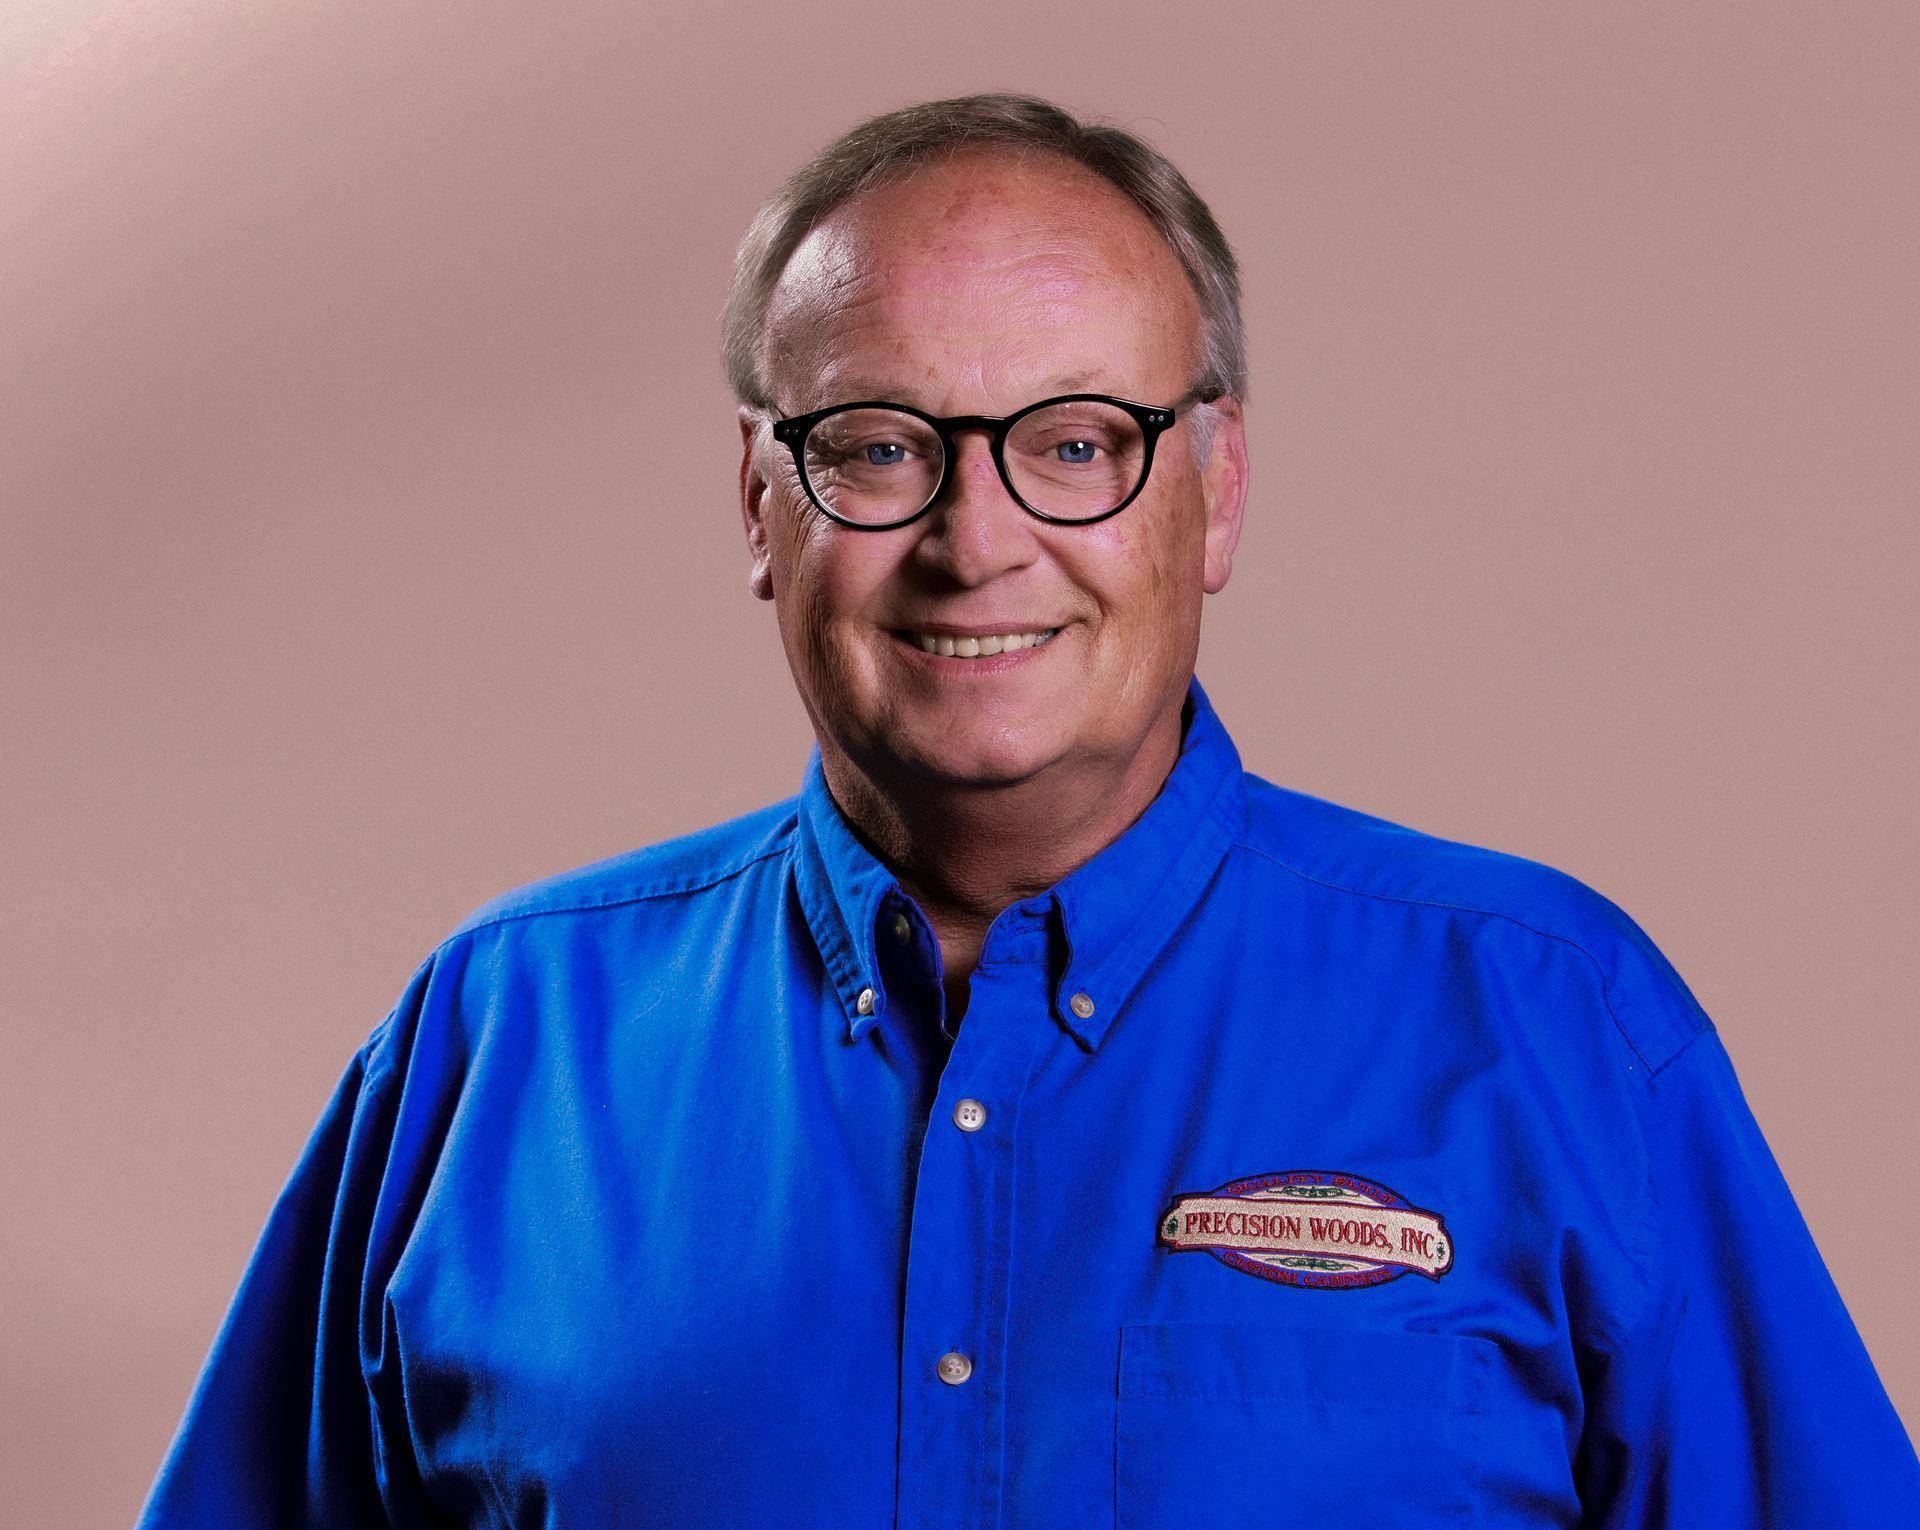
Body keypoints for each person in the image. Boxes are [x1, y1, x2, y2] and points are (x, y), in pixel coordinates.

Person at [139, 92, 1916, 1528]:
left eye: (1074, 442)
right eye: (880, 444)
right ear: (760, 507)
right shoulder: (495, 1042)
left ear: (1213, 495)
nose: (974, 538)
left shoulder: (1556, 1029)